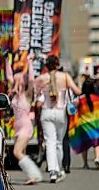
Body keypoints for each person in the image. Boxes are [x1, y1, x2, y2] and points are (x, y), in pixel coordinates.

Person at [35, 55, 81, 183]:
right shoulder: (65, 76)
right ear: (57, 64)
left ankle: (52, 171)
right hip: (60, 111)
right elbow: (77, 91)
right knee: (59, 143)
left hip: (46, 111)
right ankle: (59, 169)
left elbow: (36, 98)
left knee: (49, 142)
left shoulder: (40, 78)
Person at [6, 52, 42, 184]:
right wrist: (6, 61)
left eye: (19, 80)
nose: (16, 82)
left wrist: (30, 62)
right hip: (18, 127)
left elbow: (32, 80)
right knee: (22, 153)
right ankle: (32, 176)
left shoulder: (27, 94)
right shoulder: (15, 95)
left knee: (17, 152)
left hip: (25, 127)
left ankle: (35, 174)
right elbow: (9, 76)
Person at [68, 77, 99, 169]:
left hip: (84, 124)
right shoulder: (97, 98)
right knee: (97, 143)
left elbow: (72, 109)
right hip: (96, 123)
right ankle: (97, 158)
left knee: (84, 144)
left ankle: (85, 163)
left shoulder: (80, 99)